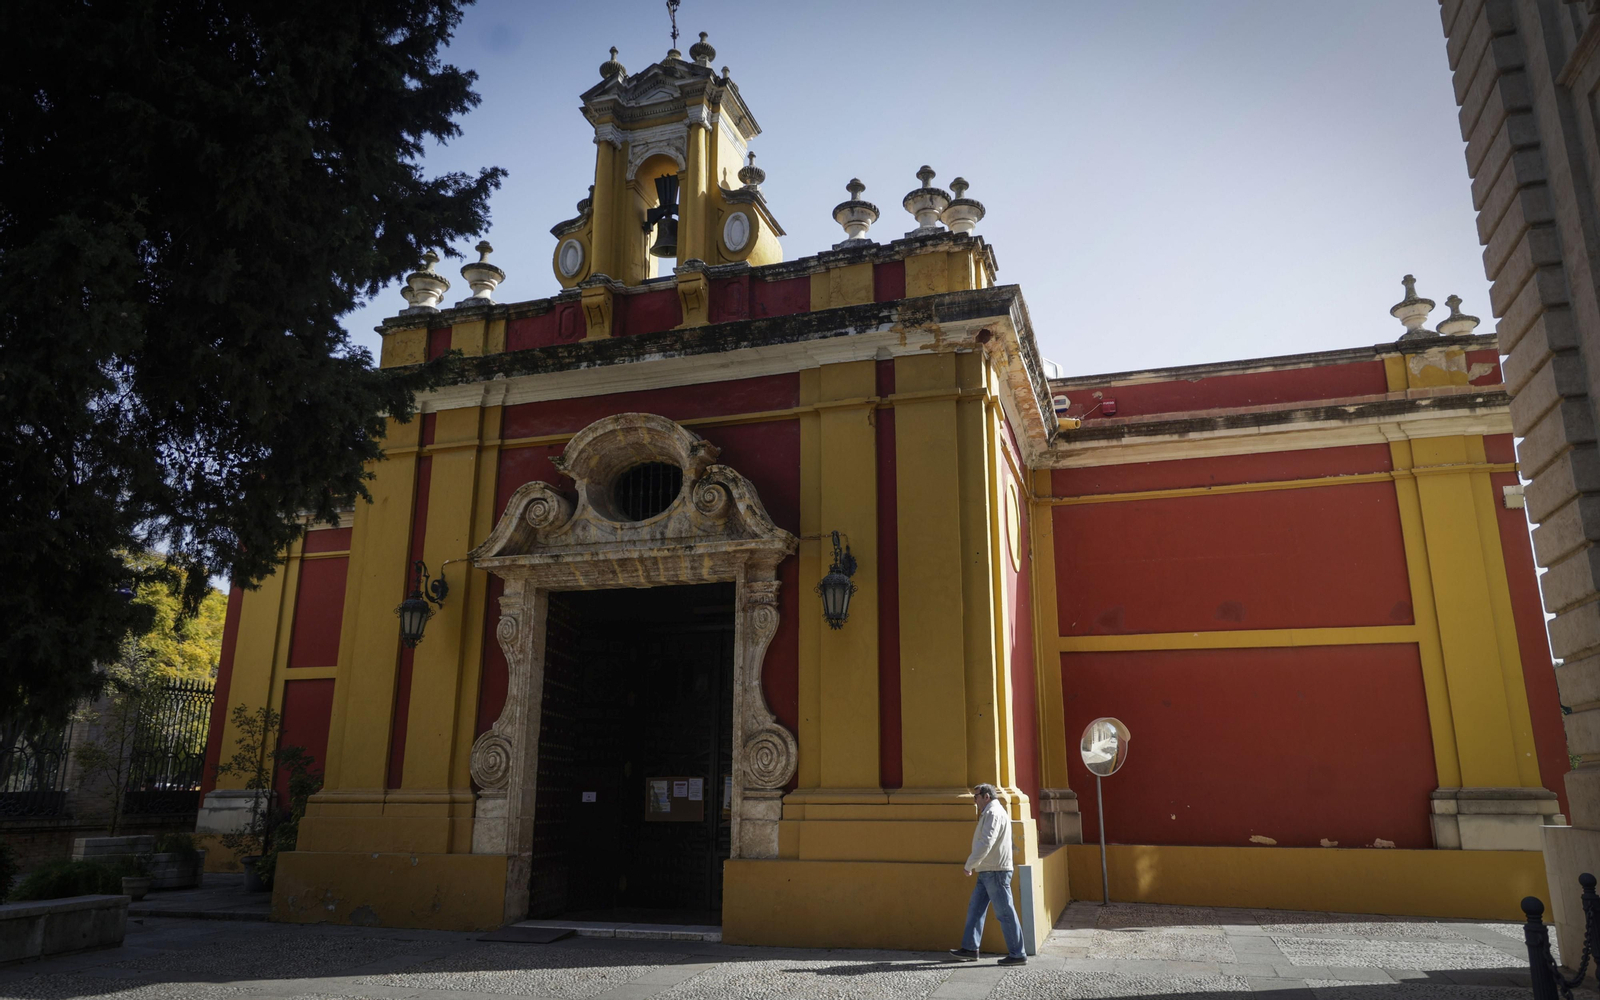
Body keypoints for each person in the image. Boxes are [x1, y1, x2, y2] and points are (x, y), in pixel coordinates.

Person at [948, 783, 1026, 965]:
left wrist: (970, 864)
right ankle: (970, 948)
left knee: (1005, 913)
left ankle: (1017, 953)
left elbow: (986, 842)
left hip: (995, 871)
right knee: (975, 910)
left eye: (976, 796)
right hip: (988, 870)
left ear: (986, 796)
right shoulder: (991, 812)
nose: (974, 800)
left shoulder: (993, 813)